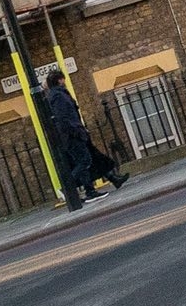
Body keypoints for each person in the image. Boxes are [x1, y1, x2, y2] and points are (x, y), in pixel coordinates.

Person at [37, 65, 126, 210]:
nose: (64, 82)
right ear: (60, 80)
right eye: (62, 79)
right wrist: (76, 131)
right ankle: (68, 188)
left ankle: (91, 190)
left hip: (74, 133)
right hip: (72, 135)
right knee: (85, 160)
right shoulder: (58, 96)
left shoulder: (55, 94)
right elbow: (65, 117)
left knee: (86, 160)